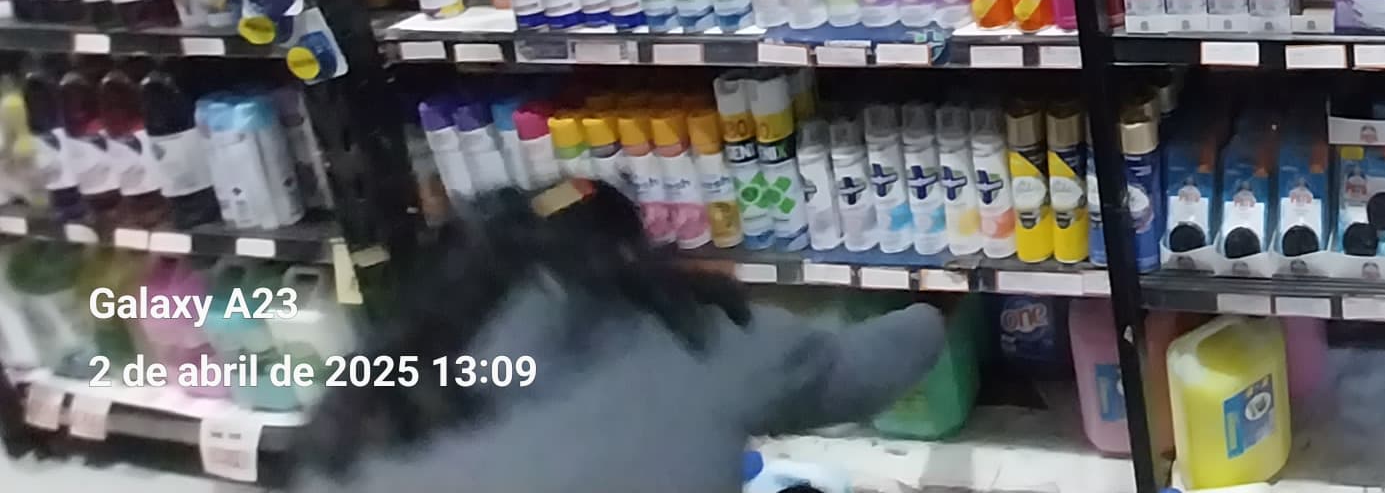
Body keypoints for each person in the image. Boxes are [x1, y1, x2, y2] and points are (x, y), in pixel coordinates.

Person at [296, 181, 947, 493]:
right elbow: (872, 365)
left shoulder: (376, 389)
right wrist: (938, 303)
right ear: (622, 257)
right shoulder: (689, 341)